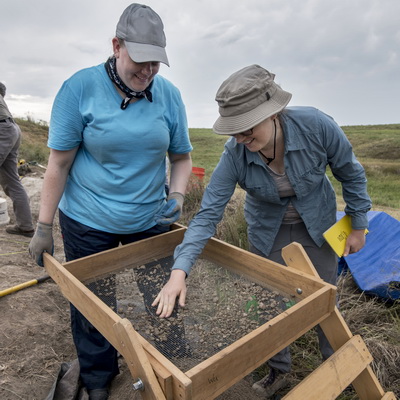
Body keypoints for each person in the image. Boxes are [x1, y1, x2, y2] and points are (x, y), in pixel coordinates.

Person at [152, 64, 371, 398]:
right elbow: (207, 214)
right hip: (268, 232)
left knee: (325, 297)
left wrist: (358, 225)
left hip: (319, 228)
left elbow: (351, 175)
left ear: (273, 113)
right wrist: (179, 270)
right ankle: (278, 371)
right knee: (269, 302)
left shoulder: (317, 126)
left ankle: (339, 366)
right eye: (233, 132)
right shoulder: (235, 155)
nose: (240, 139)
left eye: (247, 129)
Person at [28, 4, 192, 400]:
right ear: (117, 46)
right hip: (88, 220)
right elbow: (59, 164)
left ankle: (171, 363)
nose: (148, 71)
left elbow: (181, 157)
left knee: (161, 292)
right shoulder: (79, 89)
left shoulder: (168, 96)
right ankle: (99, 377)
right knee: (93, 303)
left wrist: (176, 194)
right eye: (140, 61)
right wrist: (44, 226)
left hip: (149, 219)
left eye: (156, 63)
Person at [0, 82, 34, 237]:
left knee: (12, 181)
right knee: (11, 181)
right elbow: (2, 87)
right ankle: (25, 226)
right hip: (10, 128)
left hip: (2, 129)